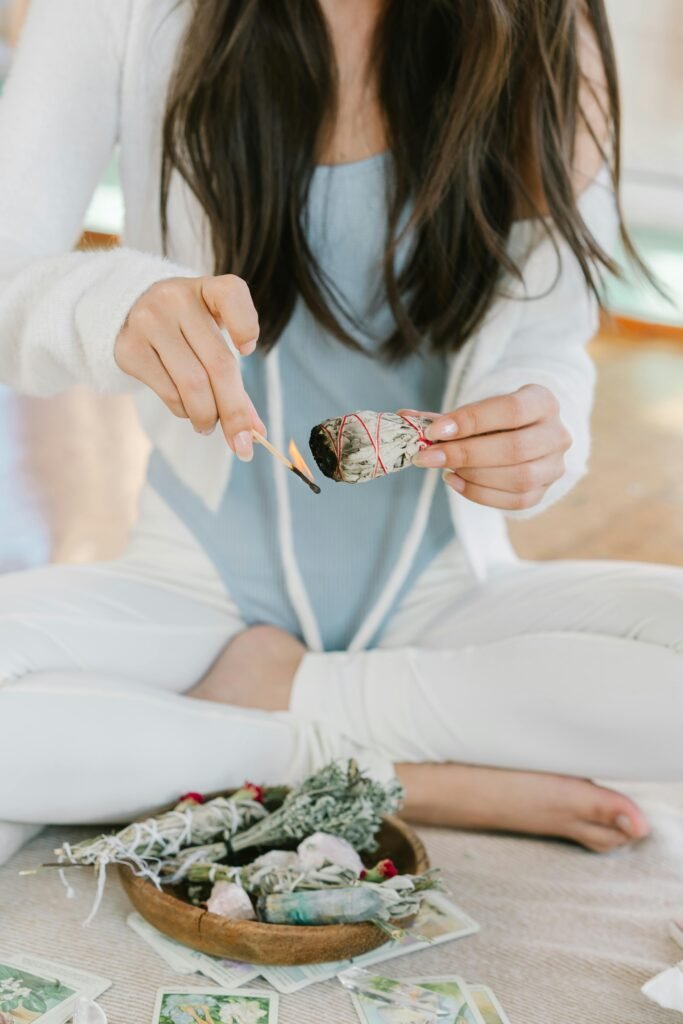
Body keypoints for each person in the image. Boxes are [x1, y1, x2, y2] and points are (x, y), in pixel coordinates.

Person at [0, 0, 680, 868]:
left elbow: (549, 342)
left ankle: (271, 706)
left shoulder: (547, 27)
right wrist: (117, 304)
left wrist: (543, 429)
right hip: (196, 592)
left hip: (442, 595)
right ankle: (385, 772)